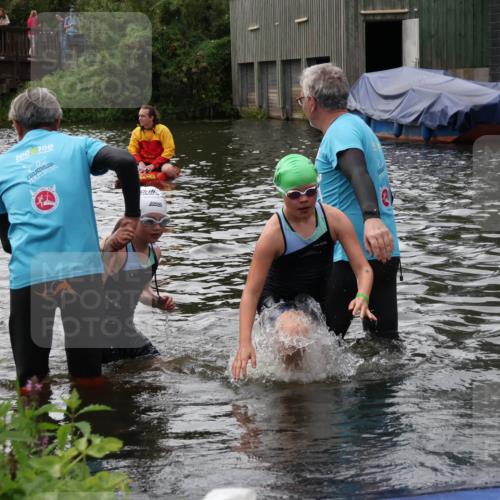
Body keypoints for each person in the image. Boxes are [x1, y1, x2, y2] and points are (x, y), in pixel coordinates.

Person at [0, 87, 141, 387]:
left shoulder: (3, 164)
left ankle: (37, 433)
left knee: (31, 382)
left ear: (16, 126)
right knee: (88, 374)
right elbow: (126, 162)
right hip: (81, 272)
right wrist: (132, 216)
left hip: (30, 273)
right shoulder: (79, 146)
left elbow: (6, 240)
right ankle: (93, 430)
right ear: (58, 121)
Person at [231, 154, 375, 380]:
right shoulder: (273, 235)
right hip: (275, 299)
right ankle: (293, 394)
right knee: (294, 330)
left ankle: (302, 390)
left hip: (313, 296)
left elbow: (363, 268)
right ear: (281, 194)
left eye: (311, 191)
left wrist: (363, 295)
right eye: (295, 194)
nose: (304, 199)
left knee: (326, 358)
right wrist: (244, 343)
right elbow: (250, 293)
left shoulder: (334, 219)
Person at [298, 63, 401, 340]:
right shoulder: (358, 126)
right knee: (384, 343)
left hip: (351, 254)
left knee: (322, 343)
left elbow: (357, 171)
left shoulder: (340, 132)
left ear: (311, 102)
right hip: (384, 250)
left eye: (301, 99)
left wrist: (371, 219)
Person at [100, 187, 176, 363]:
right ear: (134, 220)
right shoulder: (115, 248)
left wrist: (157, 301)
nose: (157, 228)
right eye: (149, 221)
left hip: (126, 332)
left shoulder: (154, 253)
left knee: (163, 367)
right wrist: (109, 249)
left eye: (163, 222)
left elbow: (141, 291)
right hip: (97, 336)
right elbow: (90, 288)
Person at [128, 105, 180, 180]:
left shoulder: (163, 130)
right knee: (125, 168)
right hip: (142, 163)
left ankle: (173, 179)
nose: (139, 118)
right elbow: (132, 150)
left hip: (160, 163)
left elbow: (169, 150)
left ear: (151, 117)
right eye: (139, 116)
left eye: (143, 116)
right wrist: (140, 163)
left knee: (168, 170)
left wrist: (153, 165)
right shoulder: (136, 131)